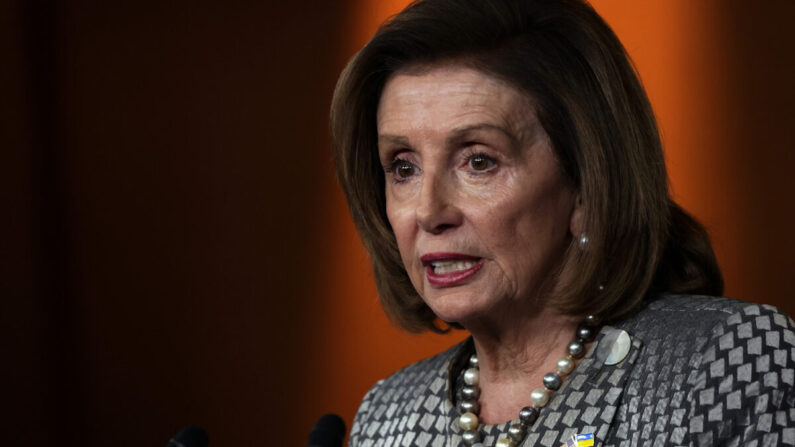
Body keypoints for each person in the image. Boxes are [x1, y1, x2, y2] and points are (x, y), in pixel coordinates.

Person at [329, 0, 795, 445]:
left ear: (586, 186)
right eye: (403, 168)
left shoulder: (727, 361)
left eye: (478, 161)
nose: (429, 211)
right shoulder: (387, 417)